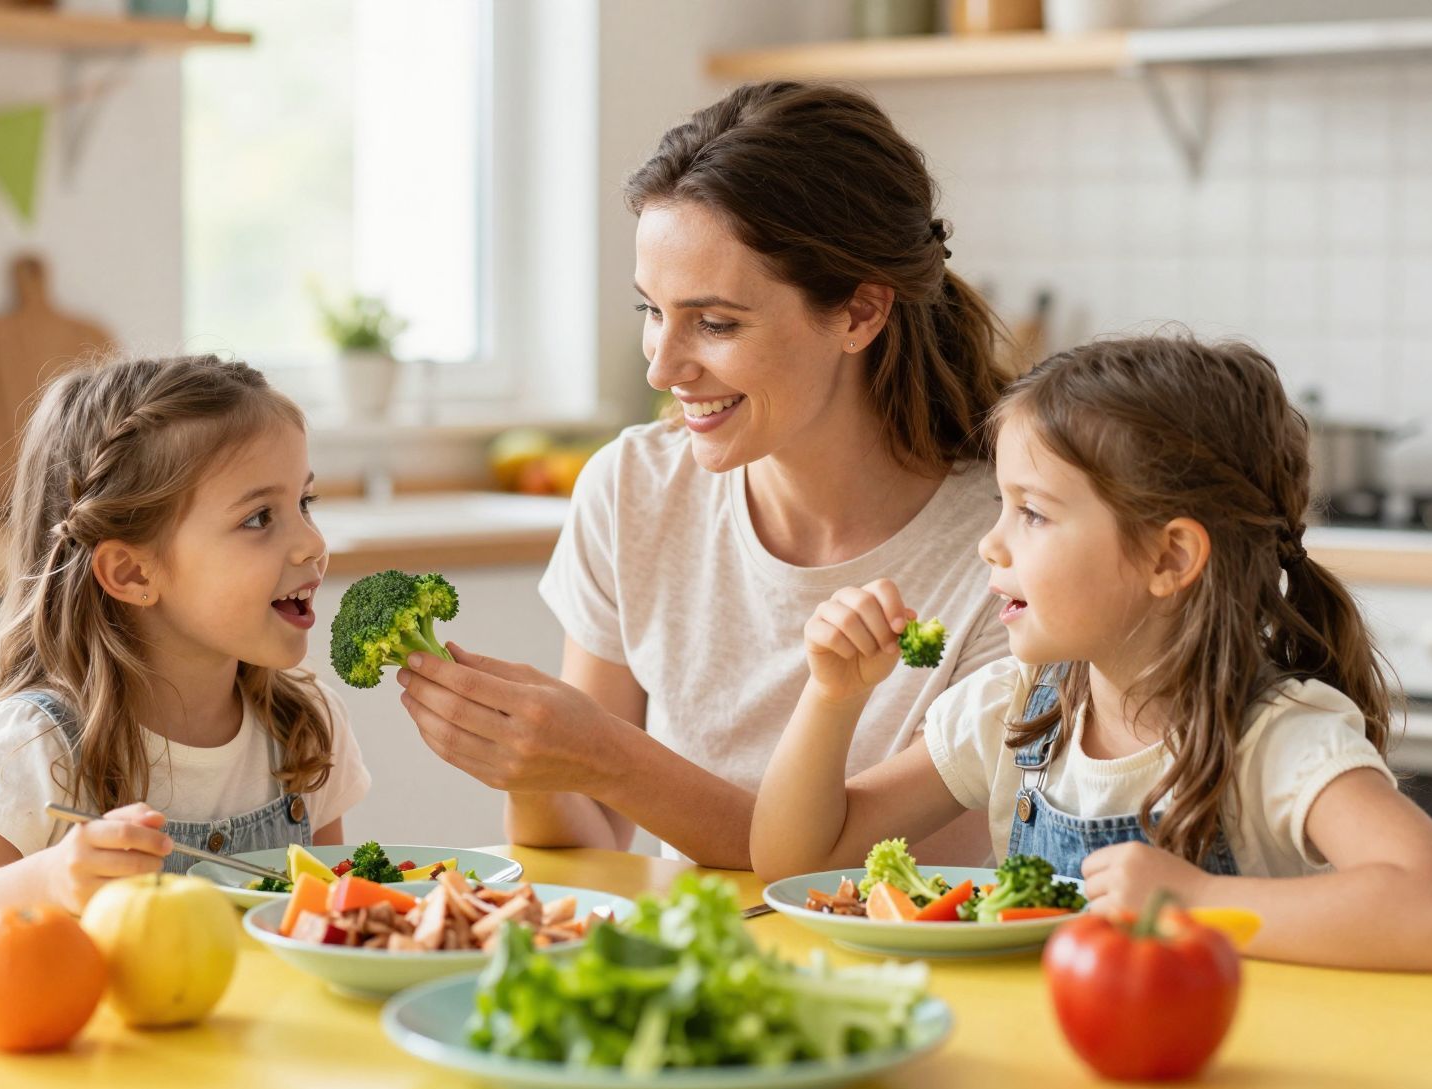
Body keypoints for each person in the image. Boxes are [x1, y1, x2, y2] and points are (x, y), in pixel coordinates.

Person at [394, 81, 1015, 868]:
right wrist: (532, 758)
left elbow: (827, 862)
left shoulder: (1012, 544)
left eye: (715, 323)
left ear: (860, 313)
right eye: (651, 311)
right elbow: (587, 844)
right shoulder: (633, 491)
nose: (662, 367)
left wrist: (601, 754)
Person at [751, 335, 1432, 971]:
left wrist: (1198, 900)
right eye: (1002, 505)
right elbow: (796, 861)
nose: (991, 542)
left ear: (1169, 558)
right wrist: (833, 697)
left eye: (1033, 513)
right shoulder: (1017, 710)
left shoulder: (1274, 737)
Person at [0, 355, 369, 911]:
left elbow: (329, 923)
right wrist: (47, 881)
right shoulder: (37, 746)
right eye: (258, 518)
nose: (313, 544)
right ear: (133, 572)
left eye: (304, 503)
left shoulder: (305, 728)